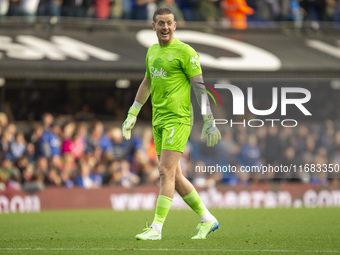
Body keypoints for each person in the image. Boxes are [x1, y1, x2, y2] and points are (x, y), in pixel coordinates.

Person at [122, 7, 222, 240]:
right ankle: (208, 219)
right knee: (174, 176)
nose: (165, 27)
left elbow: (199, 87)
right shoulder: (152, 52)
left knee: (164, 171)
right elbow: (147, 82)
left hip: (178, 119)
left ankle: (156, 228)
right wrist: (132, 113)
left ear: (175, 25)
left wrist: (208, 120)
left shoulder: (186, 52)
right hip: (159, 120)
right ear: (153, 26)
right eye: (161, 23)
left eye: (169, 23)